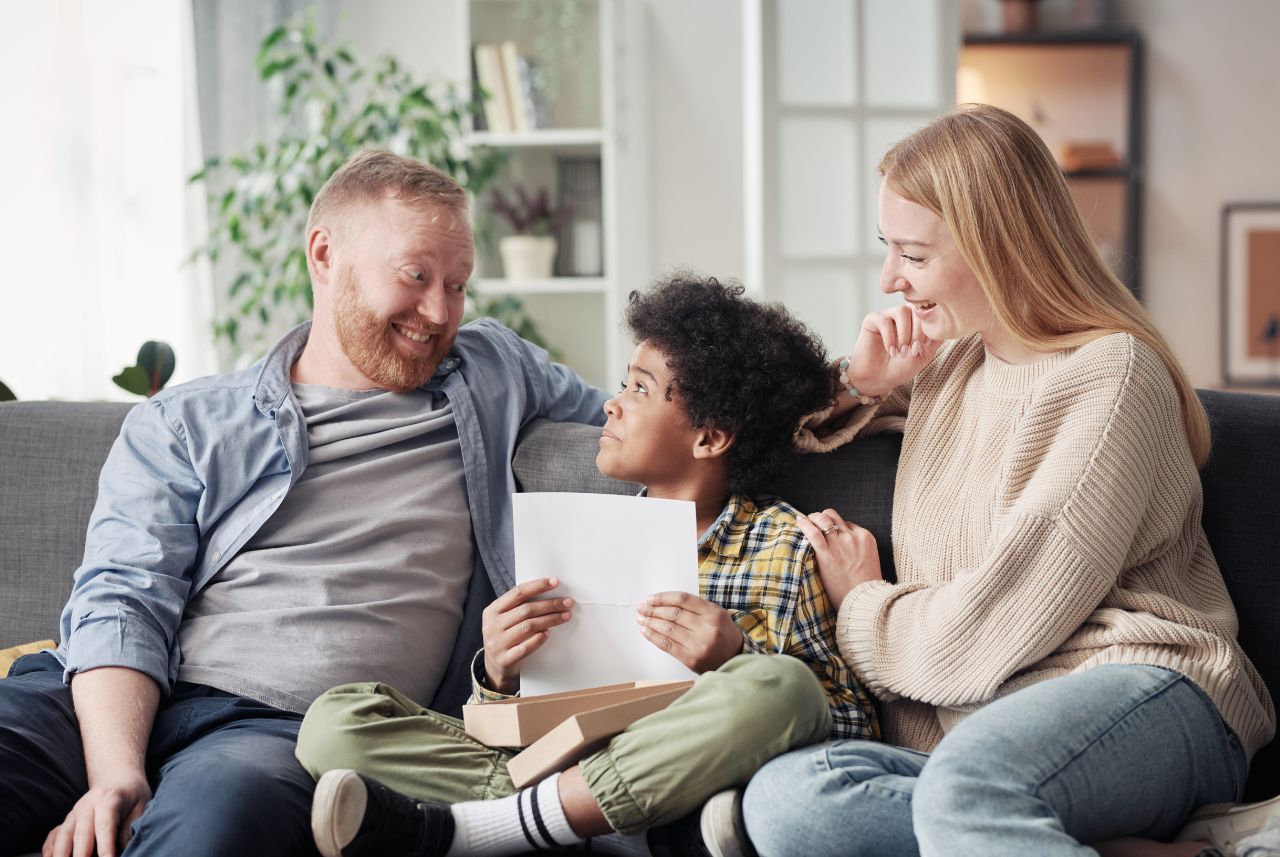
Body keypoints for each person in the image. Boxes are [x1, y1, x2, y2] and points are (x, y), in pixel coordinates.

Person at [0, 149, 611, 857]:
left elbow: (648, 418)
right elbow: (122, 600)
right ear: (325, 255)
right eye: (416, 275)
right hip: (99, 701)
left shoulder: (491, 371)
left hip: (285, 731)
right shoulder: (186, 423)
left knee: (219, 824)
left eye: (459, 284)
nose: (440, 311)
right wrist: (115, 775)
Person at [739, 104, 1277, 857]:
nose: (890, 278)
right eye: (886, 248)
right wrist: (861, 383)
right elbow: (775, 438)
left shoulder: (1112, 375)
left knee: (968, 789)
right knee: (787, 801)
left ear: (999, 248)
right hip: (983, 736)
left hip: (1145, 691)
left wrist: (860, 605)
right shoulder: (947, 364)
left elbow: (998, 621)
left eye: (914, 255)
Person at [293, 275, 878, 857]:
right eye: (623, 383)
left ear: (710, 437)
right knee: (334, 720)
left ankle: (504, 826)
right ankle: (545, 821)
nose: (611, 402)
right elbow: (516, 732)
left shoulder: (785, 546)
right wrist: (500, 672)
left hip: (678, 773)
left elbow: (848, 730)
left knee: (780, 687)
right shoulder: (578, 535)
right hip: (554, 766)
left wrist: (733, 659)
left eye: (641, 390)